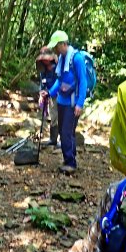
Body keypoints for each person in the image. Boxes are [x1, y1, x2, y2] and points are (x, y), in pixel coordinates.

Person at [39, 30, 87, 174]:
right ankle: (70, 158)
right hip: (61, 100)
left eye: (57, 46)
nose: (55, 50)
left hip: (72, 103)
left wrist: (80, 103)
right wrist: (49, 93)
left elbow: (83, 82)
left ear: (64, 44)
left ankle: (70, 163)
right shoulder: (61, 59)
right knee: (64, 131)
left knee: (66, 132)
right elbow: (59, 81)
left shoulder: (76, 59)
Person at [36, 46, 59, 147]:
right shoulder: (42, 68)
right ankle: (53, 139)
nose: (45, 60)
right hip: (49, 95)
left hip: (59, 94)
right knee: (53, 116)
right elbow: (42, 82)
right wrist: (42, 93)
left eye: (46, 58)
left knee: (60, 116)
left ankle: (62, 139)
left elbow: (60, 81)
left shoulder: (57, 66)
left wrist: (50, 92)